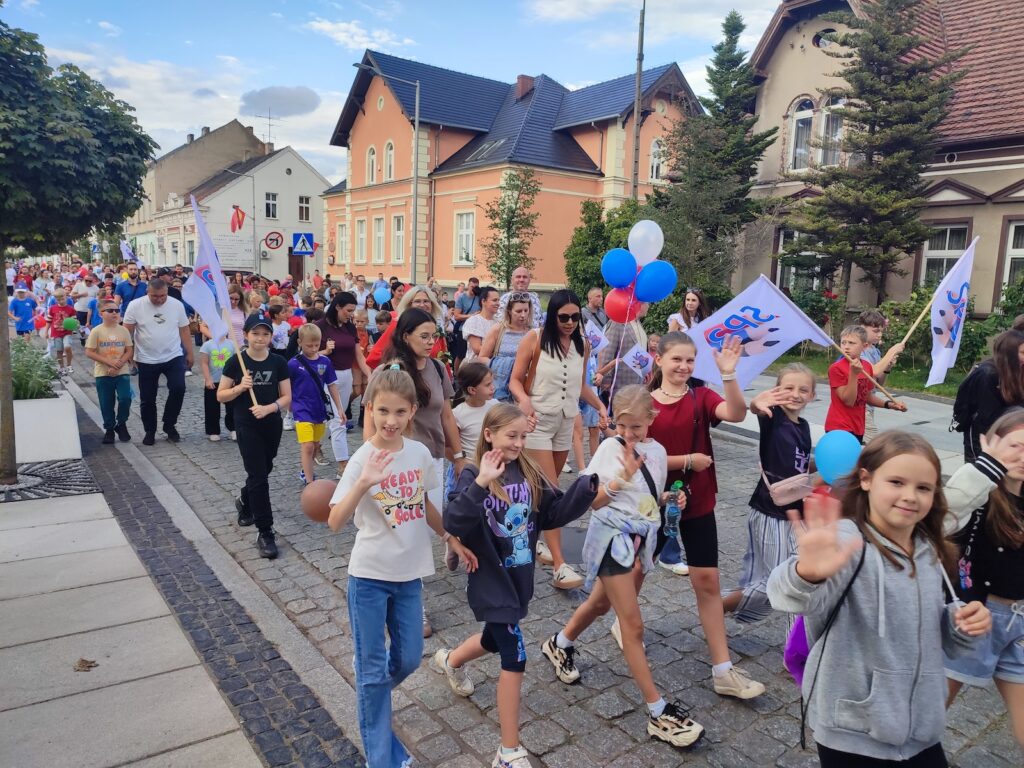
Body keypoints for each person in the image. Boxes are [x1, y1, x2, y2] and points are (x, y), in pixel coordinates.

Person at [767, 432, 992, 767]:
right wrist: (806, 573)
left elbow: (936, 636)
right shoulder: (847, 542)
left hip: (921, 728)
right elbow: (785, 595)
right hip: (853, 731)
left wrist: (961, 624)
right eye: (896, 482)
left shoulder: (929, 549)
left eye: (923, 487)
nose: (910, 496)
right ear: (866, 479)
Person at [541, 386, 705, 748]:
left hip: (641, 539)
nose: (629, 434)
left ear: (651, 419)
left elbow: (650, 496)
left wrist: (671, 497)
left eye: (637, 427)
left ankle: (559, 643)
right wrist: (622, 478)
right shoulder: (608, 450)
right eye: (623, 426)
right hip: (612, 539)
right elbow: (595, 502)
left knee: (600, 604)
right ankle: (658, 713)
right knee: (633, 626)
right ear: (614, 420)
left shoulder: (657, 452)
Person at [436, 403, 598, 768]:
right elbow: (454, 520)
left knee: (494, 638)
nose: (519, 443)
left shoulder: (528, 470)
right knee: (515, 655)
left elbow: (554, 513)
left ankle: (451, 660)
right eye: (512, 435)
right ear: (489, 434)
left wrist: (589, 486)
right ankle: (508, 752)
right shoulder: (474, 473)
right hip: (490, 581)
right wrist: (481, 482)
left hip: (518, 578)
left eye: (524, 436)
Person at [328, 368, 474, 768]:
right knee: (372, 671)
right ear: (370, 409)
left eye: (399, 412)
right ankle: (383, 759)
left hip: (410, 575)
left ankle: (371, 691)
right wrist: (363, 483)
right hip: (369, 577)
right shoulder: (362, 458)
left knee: (409, 658)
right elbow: (335, 521)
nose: (390, 421)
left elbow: (423, 504)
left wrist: (450, 537)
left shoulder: (420, 454)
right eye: (382, 411)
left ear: (412, 411)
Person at [647, 331, 766, 698]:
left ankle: (723, 669)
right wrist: (686, 461)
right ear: (659, 359)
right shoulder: (643, 402)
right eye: (676, 359)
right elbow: (636, 457)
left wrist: (728, 374)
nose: (684, 366)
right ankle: (573, 636)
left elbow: (735, 413)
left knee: (708, 583)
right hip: (651, 504)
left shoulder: (701, 397)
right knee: (628, 579)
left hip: (697, 502)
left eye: (689, 360)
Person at [365, 307, 466, 637]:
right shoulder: (389, 372)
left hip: (431, 459)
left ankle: (442, 548)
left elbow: (446, 416)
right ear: (405, 336)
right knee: (408, 533)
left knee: (426, 527)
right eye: (424, 336)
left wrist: (458, 455)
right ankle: (412, 607)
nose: (430, 341)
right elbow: (371, 419)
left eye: (434, 335)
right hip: (397, 464)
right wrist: (373, 458)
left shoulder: (437, 368)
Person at [509, 289, 609, 590]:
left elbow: (580, 386)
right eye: (563, 317)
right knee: (552, 490)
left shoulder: (583, 345)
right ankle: (560, 565)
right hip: (537, 422)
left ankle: (534, 535)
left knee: (541, 491)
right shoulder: (535, 339)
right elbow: (515, 380)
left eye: (575, 317)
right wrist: (524, 401)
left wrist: (601, 406)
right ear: (552, 315)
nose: (569, 322)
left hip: (565, 422)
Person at [945, 409, 1024, 747]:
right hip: (975, 617)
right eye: (1016, 446)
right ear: (992, 444)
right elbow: (941, 517)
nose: (1023, 456)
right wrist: (984, 469)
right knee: (927, 716)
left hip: (1019, 624)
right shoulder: (976, 493)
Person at [721, 364, 816, 622]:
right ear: (776, 391)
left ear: (812, 395)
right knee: (778, 580)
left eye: (803, 390)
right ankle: (717, 607)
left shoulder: (804, 426)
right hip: (770, 512)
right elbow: (756, 408)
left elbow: (799, 465)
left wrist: (828, 464)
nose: (795, 394)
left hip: (796, 513)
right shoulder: (773, 417)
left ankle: (796, 646)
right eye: (788, 388)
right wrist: (756, 403)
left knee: (801, 575)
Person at [219, 313, 292, 559]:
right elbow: (221, 394)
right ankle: (265, 531)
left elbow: (287, 396)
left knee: (265, 468)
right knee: (259, 476)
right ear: (246, 335)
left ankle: (245, 498)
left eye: (265, 334)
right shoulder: (236, 362)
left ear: (271, 336)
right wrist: (240, 387)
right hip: (246, 424)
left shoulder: (278, 361)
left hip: (271, 423)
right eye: (255, 333)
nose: (260, 338)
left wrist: (270, 408)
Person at [123, 279, 193, 446]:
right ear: (147, 292)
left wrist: (190, 352)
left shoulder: (176, 305)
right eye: (155, 296)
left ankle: (169, 424)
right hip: (146, 358)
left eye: (163, 296)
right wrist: (129, 352)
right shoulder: (135, 305)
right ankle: (150, 430)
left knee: (178, 388)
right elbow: (127, 331)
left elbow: (184, 329)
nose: (160, 299)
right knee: (148, 398)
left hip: (173, 355)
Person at [317, 292, 372, 477]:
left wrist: (370, 375)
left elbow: (359, 355)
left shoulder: (349, 327)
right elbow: (307, 354)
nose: (351, 315)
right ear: (337, 307)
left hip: (346, 375)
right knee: (339, 420)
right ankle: (343, 465)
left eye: (353, 311)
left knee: (333, 419)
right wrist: (325, 351)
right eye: (348, 310)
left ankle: (316, 446)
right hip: (327, 378)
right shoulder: (320, 326)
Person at [826, 325, 907, 443]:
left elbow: (866, 396)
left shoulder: (867, 366)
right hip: (839, 426)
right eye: (843, 342)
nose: (846, 347)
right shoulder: (836, 368)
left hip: (858, 426)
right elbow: (849, 401)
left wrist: (889, 404)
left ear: (864, 346)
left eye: (851, 343)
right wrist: (853, 374)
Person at [953, 329, 1024, 461]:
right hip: (981, 435)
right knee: (980, 469)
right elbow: (985, 416)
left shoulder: (1017, 371)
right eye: (1023, 353)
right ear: (1010, 353)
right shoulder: (987, 374)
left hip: (1004, 433)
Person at [289, 324, 344, 486]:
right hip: (301, 409)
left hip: (319, 409)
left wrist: (339, 408)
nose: (313, 349)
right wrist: (289, 406)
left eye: (316, 345)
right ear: (300, 342)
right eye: (309, 345)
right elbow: (285, 386)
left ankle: (305, 470)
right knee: (307, 446)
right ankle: (309, 480)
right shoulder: (293, 364)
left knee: (314, 445)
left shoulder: (325, 361)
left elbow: (332, 385)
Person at [84, 300, 133, 444]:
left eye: (117, 310)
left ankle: (121, 423)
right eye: (110, 311)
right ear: (101, 314)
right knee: (106, 402)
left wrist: (119, 363)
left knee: (125, 398)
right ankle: (109, 428)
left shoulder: (123, 330)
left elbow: (129, 350)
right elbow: (89, 352)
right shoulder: (97, 331)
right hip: (103, 372)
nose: (114, 313)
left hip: (122, 371)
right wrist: (109, 362)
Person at [447, 361, 499, 499]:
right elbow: (447, 447)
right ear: (472, 390)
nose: (493, 387)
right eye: (487, 385)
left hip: (492, 469)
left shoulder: (495, 406)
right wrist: (460, 463)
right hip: (471, 473)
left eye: (492, 383)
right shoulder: (458, 414)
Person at [855, 310, 906, 443]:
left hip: (869, 406)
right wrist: (891, 352)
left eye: (881, 331)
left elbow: (878, 383)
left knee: (865, 446)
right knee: (874, 446)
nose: (879, 335)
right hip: (859, 408)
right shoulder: (859, 350)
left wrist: (887, 367)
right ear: (862, 328)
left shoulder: (875, 351)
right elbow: (873, 372)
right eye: (875, 331)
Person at [480, 293, 532, 402]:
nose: (523, 315)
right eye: (518, 311)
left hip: (524, 387)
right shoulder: (498, 329)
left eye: (526, 310)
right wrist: (504, 365)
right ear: (509, 311)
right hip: (499, 387)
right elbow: (482, 358)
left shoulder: (533, 333)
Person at [200, 329, 236, 442]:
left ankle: (233, 429)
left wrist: (235, 378)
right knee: (211, 407)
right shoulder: (207, 345)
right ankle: (213, 431)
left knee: (232, 407)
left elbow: (236, 363)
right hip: (213, 381)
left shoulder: (232, 344)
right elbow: (204, 363)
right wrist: (208, 379)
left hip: (229, 381)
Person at [462, 286, 499, 362]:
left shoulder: (498, 322)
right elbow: (477, 349)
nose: (498, 303)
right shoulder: (474, 321)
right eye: (494, 300)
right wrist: (500, 352)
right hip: (476, 366)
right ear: (483, 301)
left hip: (494, 364)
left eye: (498, 300)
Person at [47, 287, 76, 373]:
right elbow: (49, 320)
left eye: (62, 298)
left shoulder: (71, 309)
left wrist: (75, 325)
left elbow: (74, 321)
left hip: (67, 332)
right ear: (55, 299)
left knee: (67, 346)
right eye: (58, 299)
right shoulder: (52, 308)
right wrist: (46, 331)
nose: (60, 301)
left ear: (66, 297)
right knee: (59, 350)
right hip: (56, 332)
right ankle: (61, 367)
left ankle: (69, 365)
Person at [71, 272, 99, 345]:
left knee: (90, 326)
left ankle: (90, 341)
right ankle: (83, 337)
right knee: (82, 327)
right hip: (81, 309)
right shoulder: (78, 285)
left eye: (90, 281)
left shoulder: (96, 288)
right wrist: (81, 295)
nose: (88, 282)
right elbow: (72, 296)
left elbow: (98, 299)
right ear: (83, 279)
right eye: (86, 280)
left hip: (91, 311)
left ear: (93, 281)